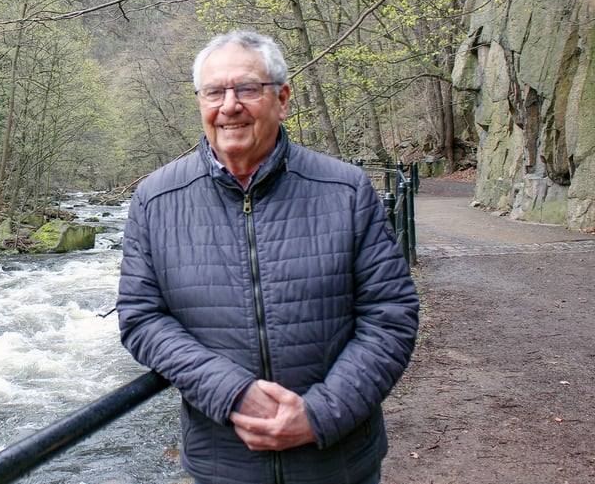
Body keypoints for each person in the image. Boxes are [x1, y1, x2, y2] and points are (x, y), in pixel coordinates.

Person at [117, 30, 419, 484]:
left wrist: (320, 414)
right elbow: (141, 318)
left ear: (282, 99)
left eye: (247, 89)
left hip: (338, 464)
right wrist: (231, 392)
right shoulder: (156, 199)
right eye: (214, 92)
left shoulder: (345, 190)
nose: (230, 105)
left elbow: (390, 315)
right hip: (224, 466)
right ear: (200, 102)